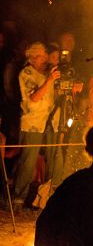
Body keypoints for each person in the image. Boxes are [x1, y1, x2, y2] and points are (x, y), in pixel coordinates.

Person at [12, 43, 62, 205]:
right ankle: (18, 197)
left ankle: (47, 196)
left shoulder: (46, 73)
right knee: (29, 160)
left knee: (52, 158)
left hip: (49, 121)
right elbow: (33, 98)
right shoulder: (26, 73)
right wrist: (49, 81)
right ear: (32, 58)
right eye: (42, 56)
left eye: (45, 55)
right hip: (32, 123)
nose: (45, 59)